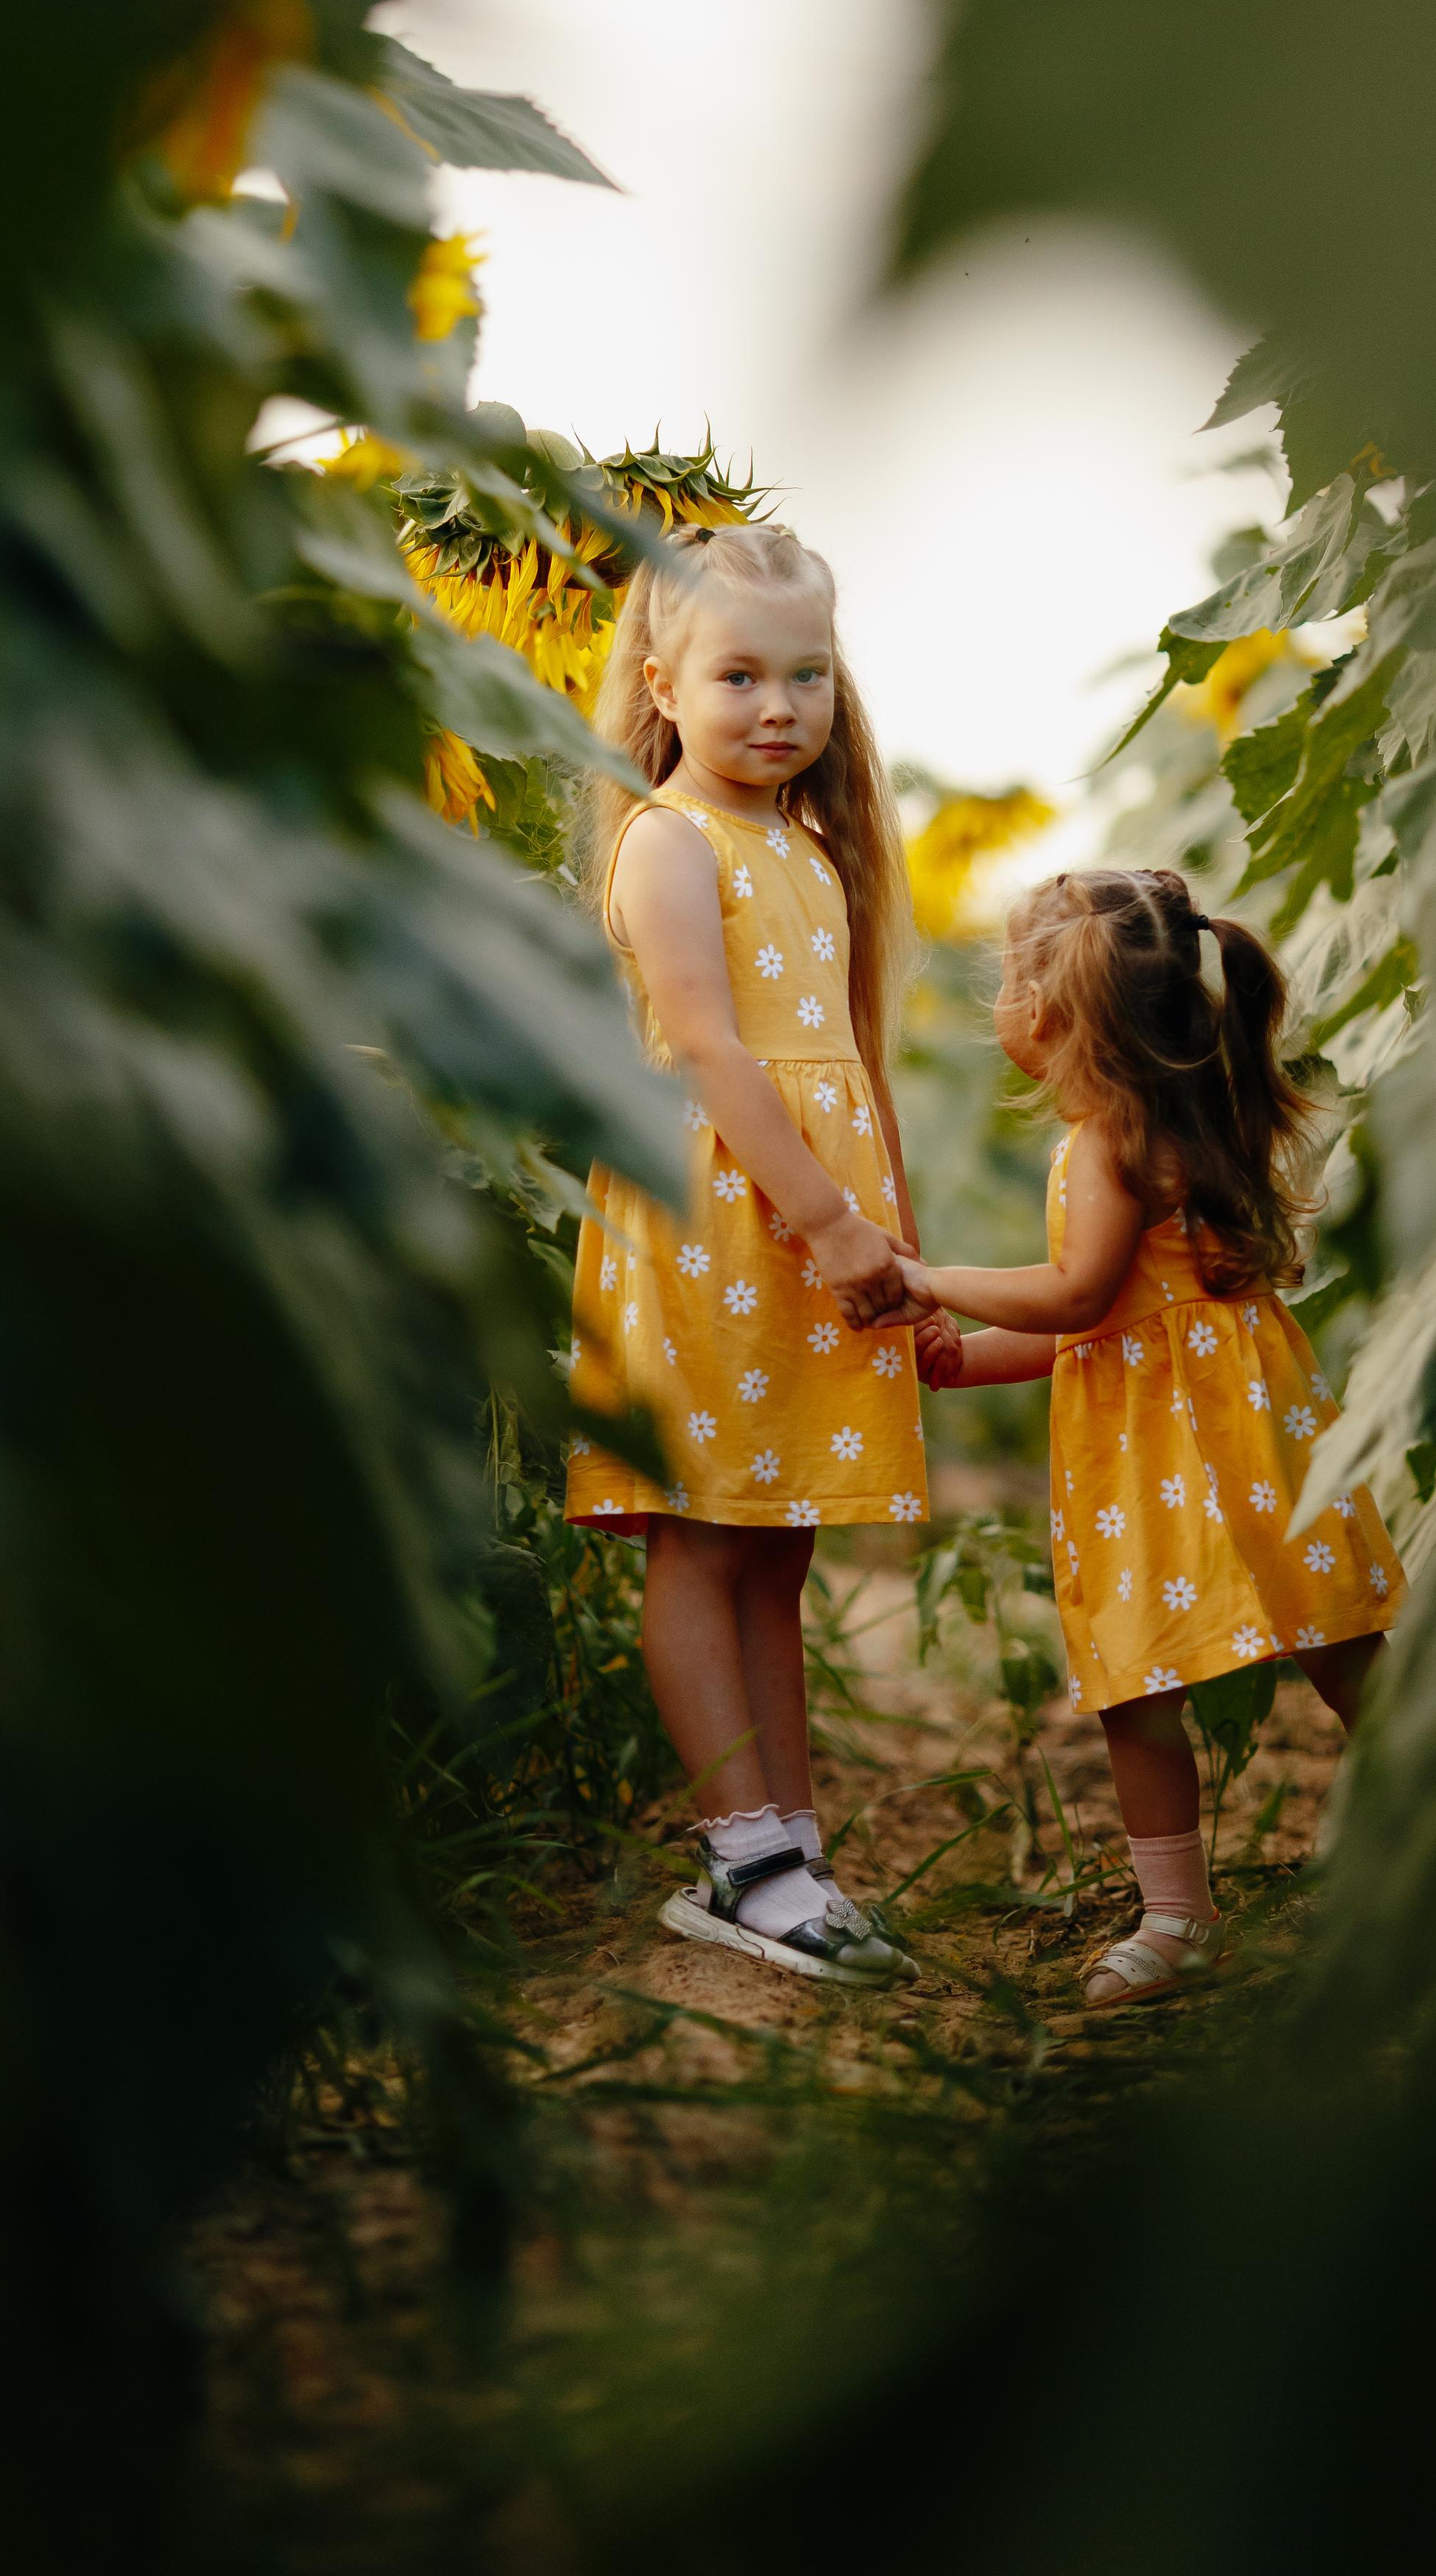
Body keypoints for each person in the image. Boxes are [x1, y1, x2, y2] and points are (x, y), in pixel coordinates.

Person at [901, 865, 1406, 2008]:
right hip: (1216, 1423)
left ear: (1043, 1008)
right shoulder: (1161, 1119)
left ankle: (1183, 1915)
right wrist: (964, 1357)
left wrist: (930, 1280)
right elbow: (1104, 1322)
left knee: (1147, 1682)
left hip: (1180, 1443)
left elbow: (1078, 1297)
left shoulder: (1111, 1146)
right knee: (1331, 1644)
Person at [565, 522, 931, 1986]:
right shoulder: (668, 840)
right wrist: (831, 1220)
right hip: (718, 1221)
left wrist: (892, 1238)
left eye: (808, 676)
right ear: (662, 681)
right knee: (704, 1538)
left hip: (814, 1226)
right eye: (738, 675)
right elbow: (712, 1052)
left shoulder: (814, 849)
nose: (779, 707)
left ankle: (793, 1842)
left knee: (777, 1547)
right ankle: (740, 1854)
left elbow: (852, 1063)